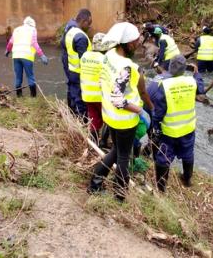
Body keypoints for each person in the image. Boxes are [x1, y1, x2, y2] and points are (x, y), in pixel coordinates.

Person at [88, 22, 154, 201]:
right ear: (127, 44)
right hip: (124, 120)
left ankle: (95, 182)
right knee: (123, 157)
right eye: (135, 42)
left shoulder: (109, 55)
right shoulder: (127, 66)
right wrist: (141, 111)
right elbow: (119, 100)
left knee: (116, 151)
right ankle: (120, 195)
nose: (138, 44)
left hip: (109, 116)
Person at [151, 55, 205, 192]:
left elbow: (159, 112)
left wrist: (155, 127)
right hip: (188, 128)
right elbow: (201, 89)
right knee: (188, 154)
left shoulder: (164, 85)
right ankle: (187, 180)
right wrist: (197, 73)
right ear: (184, 69)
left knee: (163, 158)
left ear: (170, 68)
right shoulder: (191, 81)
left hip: (169, 131)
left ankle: (161, 189)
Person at [5, 16, 49, 97]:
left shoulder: (17, 29)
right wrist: (42, 55)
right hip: (27, 56)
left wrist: (7, 50)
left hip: (16, 56)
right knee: (30, 77)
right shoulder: (32, 30)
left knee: (18, 78)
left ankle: (19, 97)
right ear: (33, 25)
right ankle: (33, 98)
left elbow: (11, 42)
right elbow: (34, 43)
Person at [61, 9, 92, 117]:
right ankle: (82, 119)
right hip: (80, 72)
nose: (90, 26)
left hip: (72, 69)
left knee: (72, 93)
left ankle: (72, 115)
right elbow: (85, 59)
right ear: (84, 21)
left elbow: (64, 48)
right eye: (89, 23)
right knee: (80, 98)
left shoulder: (70, 31)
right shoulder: (81, 37)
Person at [80, 32, 109, 144]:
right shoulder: (104, 58)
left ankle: (94, 142)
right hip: (100, 96)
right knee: (107, 119)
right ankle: (103, 142)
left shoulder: (84, 56)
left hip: (87, 95)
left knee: (94, 118)